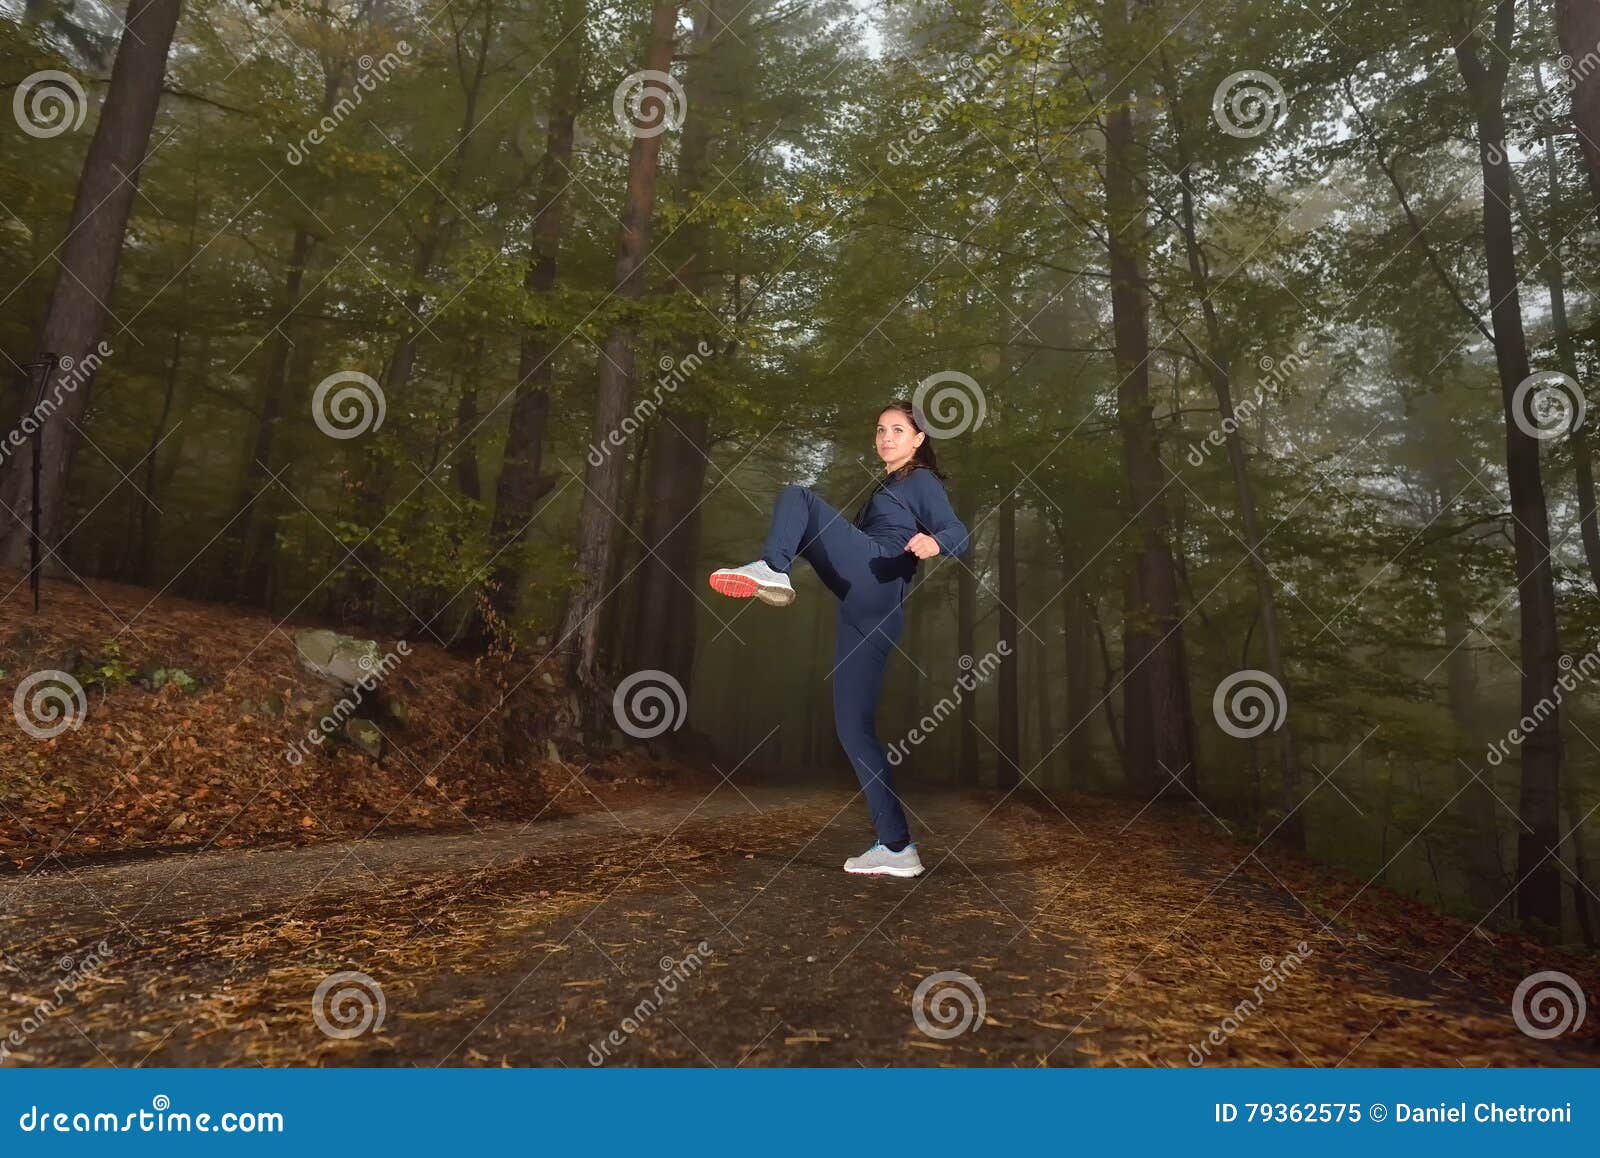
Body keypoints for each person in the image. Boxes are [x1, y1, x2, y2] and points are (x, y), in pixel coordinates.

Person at [708, 400, 971, 878]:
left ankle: (773, 567)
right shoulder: (887, 486)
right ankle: (897, 847)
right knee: (853, 728)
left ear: (918, 440)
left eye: (897, 430)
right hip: (866, 606)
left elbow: (959, 532)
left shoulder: (921, 480)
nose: (886, 437)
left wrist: (938, 542)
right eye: (880, 430)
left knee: (799, 498)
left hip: (878, 576)